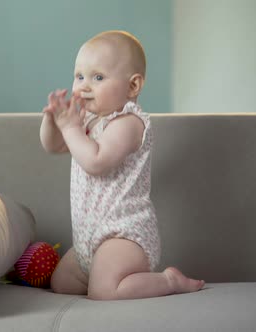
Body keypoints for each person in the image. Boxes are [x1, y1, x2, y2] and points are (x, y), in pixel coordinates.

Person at [39, 30, 205, 300]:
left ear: (133, 86)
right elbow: (53, 146)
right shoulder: (88, 120)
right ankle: (101, 274)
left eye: (98, 77)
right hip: (87, 238)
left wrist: (70, 128)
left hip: (123, 234)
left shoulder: (129, 123)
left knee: (104, 291)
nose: (83, 86)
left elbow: (96, 162)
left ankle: (168, 280)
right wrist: (54, 121)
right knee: (62, 283)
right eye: (79, 76)